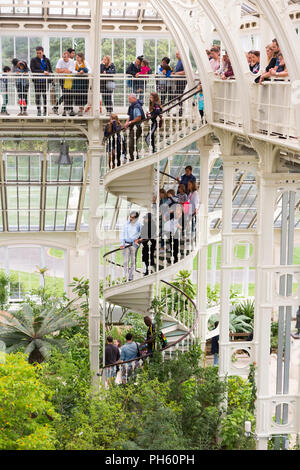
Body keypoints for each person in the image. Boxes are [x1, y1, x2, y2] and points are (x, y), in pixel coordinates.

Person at [30, 46, 53, 117]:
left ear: (43, 52)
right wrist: (43, 71)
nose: (38, 54)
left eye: (40, 53)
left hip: (45, 81)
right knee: (37, 96)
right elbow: (33, 70)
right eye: (37, 53)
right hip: (37, 81)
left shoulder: (47, 60)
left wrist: (51, 77)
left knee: (45, 96)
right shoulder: (33, 60)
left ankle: (45, 110)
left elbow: (50, 70)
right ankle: (39, 110)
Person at [120, 211, 141, 282]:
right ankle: (125, 276)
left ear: (136, 218)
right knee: (125, 261)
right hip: (126, 244)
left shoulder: (139, 224)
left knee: (133, 261)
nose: (131, 218)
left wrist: (138, 240)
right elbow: (122, 234)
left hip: (134, 245)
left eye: (133, 217)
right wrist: (122, 243)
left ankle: (131, 277)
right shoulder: (126, 224)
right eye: (130, 217)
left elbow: (142, 233)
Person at [124, 94, 145, 161]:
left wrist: (129, 122)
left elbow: (139, 117)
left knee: (131, 143)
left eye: (129, 98)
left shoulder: (136, 106)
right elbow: (130, 116)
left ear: (134, 98)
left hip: (137, 126)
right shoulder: (132, 106)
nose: (128, 100)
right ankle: (134, 158)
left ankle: (133, 159)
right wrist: (127, 123)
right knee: (132, 142)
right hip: (133, 126)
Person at [55, 50, 76, 117]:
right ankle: (66, 109)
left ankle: (67, 109)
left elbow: (70, 71)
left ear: (68, 57)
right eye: (63, 57)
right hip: (62, 79)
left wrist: (62, 70)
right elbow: (57, 70)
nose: (64, 58)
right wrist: (64, 70)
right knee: (65, 93)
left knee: (69, 94)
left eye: (65, 57)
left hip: (69, 79)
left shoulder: (71, 61)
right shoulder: (60, 60)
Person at [172, 51, 187, 116]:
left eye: (177, 54)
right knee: (177, 95)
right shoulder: (179, 61)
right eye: (176, 54)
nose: (176, 56)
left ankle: (180, 111)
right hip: (177, 81)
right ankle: (179, 111)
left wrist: (176, 73)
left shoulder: (183, 61)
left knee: (179, 95)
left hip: (182, 81)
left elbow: (185, 71)